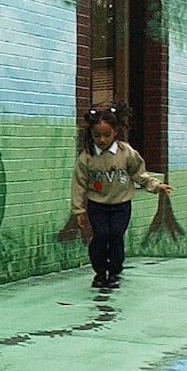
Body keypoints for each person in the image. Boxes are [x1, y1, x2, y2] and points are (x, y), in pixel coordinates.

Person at [70, 106, 172, 290]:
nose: (102, 140)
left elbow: (139, 174)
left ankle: (114, 272)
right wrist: (78, 209)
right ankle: (100, 273)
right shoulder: (87, 157)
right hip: (97, 205)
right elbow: (79, 184)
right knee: (101, 236)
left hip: (121, 205)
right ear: (91, 135)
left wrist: (156, 186)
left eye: (106, 135)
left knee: (116, 235)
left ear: (115, 132)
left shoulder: (126, 153)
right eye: (97, 136)